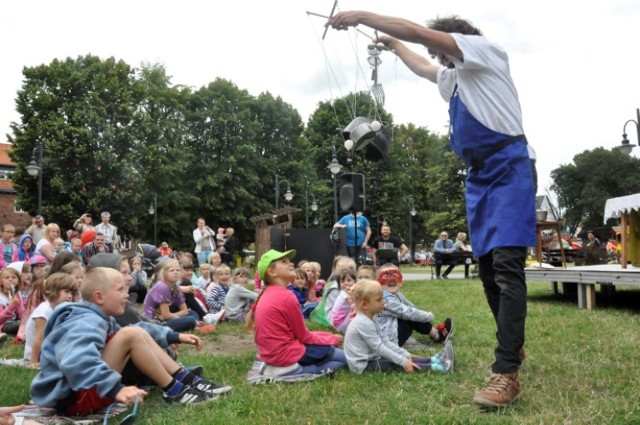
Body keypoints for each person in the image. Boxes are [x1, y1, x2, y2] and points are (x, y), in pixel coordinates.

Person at [327, 11, 536, 407]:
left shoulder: (484, 51)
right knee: (489, 272)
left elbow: (421, 34)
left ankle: (506, 370)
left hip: (509, 167)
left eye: (439, 45)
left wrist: (360, 16)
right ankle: (514, 345)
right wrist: (393, 45)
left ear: (455, 39)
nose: (436, 55)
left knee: (507, 268)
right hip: (479, 178)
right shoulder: (455, 79)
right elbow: (423, 64)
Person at [30, 267, 229, 415]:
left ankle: (184, 380)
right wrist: (116, 389)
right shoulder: (84, 321)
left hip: (86, 387)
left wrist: (174, 336)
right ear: (99, 297)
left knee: (132, 332)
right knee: (130, 335)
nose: (127, 295)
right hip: (73, 397)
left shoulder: (100, 317)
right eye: (121, 290)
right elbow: (76, 361)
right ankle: (174, 390)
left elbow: (139, 330)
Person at [246, 249, 347, 384]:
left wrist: (327, 336)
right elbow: (304, 337)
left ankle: (288, 369)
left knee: (331, 352)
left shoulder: (267, 293)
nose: (291, 264)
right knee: (343, 359)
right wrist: (331, 338)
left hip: (272, 355)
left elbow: (297, 335)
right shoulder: (287, 296)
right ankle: (295, 371)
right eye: (284, 262)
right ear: (272, 272)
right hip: (286, 355)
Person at [344, 279, 454, 374]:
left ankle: (434, 359)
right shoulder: (362, 323)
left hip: (372, 358)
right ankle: (438, 367)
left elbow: (385, 342)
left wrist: (405, 354)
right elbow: (380, 348)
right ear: (364, 304)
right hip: (362, 366)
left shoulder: (371, 318)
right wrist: (403, 361)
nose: (384, 302)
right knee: (396, 364)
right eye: (379, 300)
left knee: (398, 359)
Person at [375, 264, 452, 347]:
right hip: (387, 342)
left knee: (413, 314)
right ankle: (438, 335)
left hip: (389, 337)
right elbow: (408, 312)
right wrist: (429, 316)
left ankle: (436, 333)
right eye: (386, 276)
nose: (391, 279)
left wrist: (422, 317)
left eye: (395, 275)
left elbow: (412, 307)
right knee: (410, 316)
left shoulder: (398, 295)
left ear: (401, 282)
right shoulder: (385, 299)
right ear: (378, 282)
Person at [24, 272, 79, 367]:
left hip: (50, 350)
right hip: (37, 355)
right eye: (66, 292)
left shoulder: (59, 309)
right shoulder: (44, 311)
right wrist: (33, 362)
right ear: (54, 291)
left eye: (71, 293)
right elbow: (38, 339)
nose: (70, 296)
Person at [143, 259, 199, 332]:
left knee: (193, 313)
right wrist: (178, 317)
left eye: (178, 270)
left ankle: (194, 324)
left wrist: (174, 315)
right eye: (171, 270)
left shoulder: (175, 287)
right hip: (155, 322)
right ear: (165, 273)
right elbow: (166, 315)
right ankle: (194, 324)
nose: (175, 272)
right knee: (191, 319)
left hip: (167, 318)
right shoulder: (162, 287)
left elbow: (185, 311)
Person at [309, 255, 356, 327]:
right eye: (340, 268)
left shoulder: (350, 286)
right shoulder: (335, 289)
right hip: (334, 320)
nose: (346, 283)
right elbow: (337, 311)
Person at [330, 269, 357, 333]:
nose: (346, 283)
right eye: (342, 281)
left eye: (349, 280)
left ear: (355, 281)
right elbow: (355, 305)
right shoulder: (345, 293)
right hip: (340, 326)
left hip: (338, 324)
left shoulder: (344, 292)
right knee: (357, 308)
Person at [0, 268, 23, 335]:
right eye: (7, 278)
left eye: (14, 277)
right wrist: (11, 306)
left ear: (18, 280)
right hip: (4, 325)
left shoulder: (17, 294)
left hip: (15, 321)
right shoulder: (1, 298)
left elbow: (21, 313)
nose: (10, 279)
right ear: (1, 281)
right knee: (19, 324)